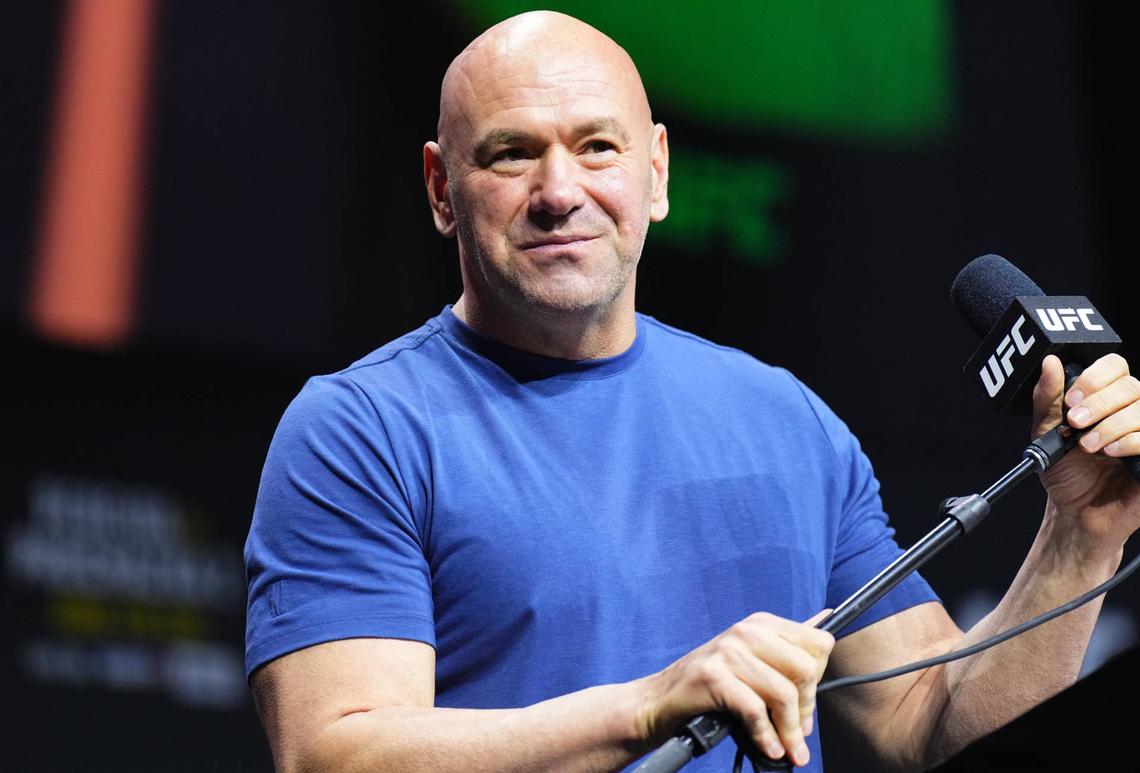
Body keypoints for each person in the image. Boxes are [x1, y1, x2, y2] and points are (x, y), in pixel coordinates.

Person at [243, 11, 1140, 772]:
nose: (561, 192)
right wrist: (650, 704)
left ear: (657, 172)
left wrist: (1083, 535)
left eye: (598, 146)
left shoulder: (784, 419)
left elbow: (931, 720)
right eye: (512, 155)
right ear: (442, 189)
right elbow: (337, 753)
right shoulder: (359, 431)